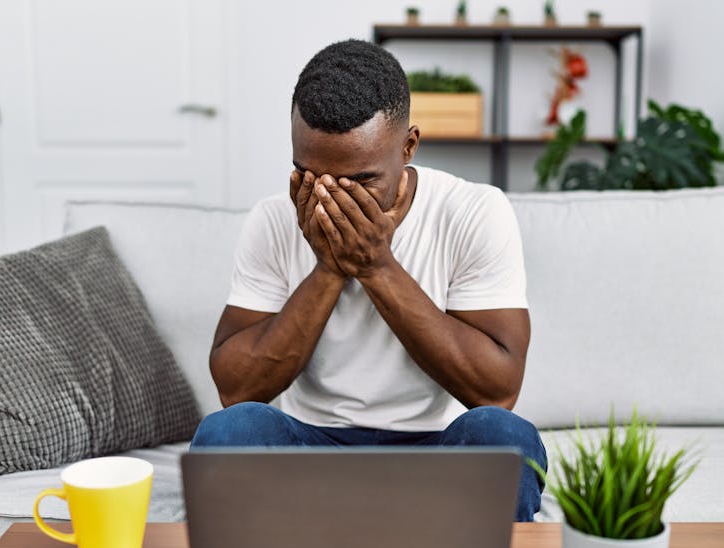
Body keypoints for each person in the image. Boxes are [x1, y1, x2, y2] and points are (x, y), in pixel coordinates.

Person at [191, 39, 547, 521]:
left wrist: (377, 266)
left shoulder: (473, 212)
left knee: (508, 440)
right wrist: (330, 268)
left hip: (433, 453)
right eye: (309, 176)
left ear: (408, 146)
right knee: (227, 433)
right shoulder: (274, 219)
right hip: (309, 448)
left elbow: (497, 391)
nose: (328, 201)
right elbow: (237, 390)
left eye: (359, 182)